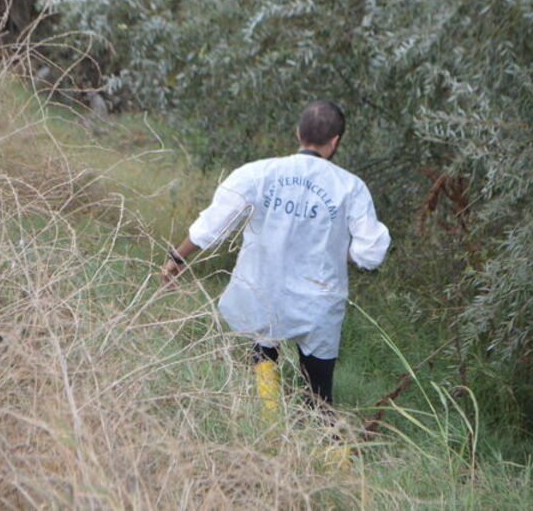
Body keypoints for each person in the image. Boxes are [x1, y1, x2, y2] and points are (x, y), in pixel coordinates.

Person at [161, 100, 390, 409]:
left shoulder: (258, 173)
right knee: (319, 395)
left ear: (298, 132)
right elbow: (371, 253)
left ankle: (269, 421)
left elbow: (213, 226)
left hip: (264, 291)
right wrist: (339, 249)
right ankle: (323, 434)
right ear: (335, 141)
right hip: (318, 302)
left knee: (263, 345)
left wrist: (177, 258)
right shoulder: (351, 188)